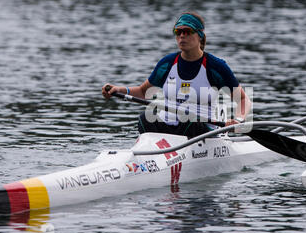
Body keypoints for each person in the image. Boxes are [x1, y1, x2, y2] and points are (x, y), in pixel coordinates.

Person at [102, 11, 251, 139]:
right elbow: (143, 92)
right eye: (178, 32)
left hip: (200, 130)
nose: (181, 36)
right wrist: (119, 90)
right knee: (144, 119)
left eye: (187, 32)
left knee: (189, 120)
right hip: (168, 130)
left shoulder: (215, 66)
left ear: (199, 35)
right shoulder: (167, 63)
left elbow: (243, 99)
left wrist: (238, 120)